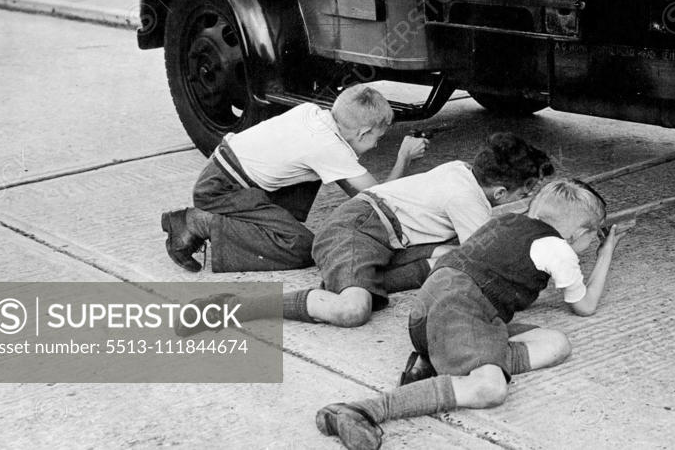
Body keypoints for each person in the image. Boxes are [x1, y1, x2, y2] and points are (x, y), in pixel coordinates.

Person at [314, 178, 627, 450]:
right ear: (579, 234)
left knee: (556, 343)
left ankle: (445, 361)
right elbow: (584, 306)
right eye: (592, 236)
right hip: (460, 311)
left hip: (435, 309)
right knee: (490, 388)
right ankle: (362, 410)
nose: (589, 243)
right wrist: (606, 252)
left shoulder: (502, 222)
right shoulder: (558, 248)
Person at [175, 133, 553, 335]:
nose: (526, 199)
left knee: (447, 259)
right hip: (355, 229)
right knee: (352, 311)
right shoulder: (467, 198)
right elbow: (490, 257)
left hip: (380, 236)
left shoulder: (462, 172)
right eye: (527, 192)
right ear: (502, 193)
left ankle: (346, 284)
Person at [160, 85, 427, 273]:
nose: (377, 146)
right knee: (299, 248)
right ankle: (196, 223)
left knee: (312, 178)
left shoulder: (314, 114)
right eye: (377, 139)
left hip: (222, 173)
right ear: (363, 132)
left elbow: (351, 187)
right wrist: (404, 157)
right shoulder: (328, 148)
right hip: (221, 191)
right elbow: (378, 198)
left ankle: (241, 224)